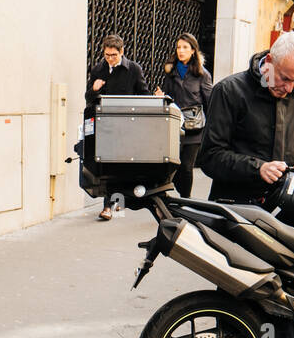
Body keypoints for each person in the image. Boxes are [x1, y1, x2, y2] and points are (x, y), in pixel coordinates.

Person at [198, 31, 294, 205]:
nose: (289, 88)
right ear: (269, 62)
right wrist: (258, 169)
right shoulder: (228, 91)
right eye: (284, 78)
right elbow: (210, 157)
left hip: (287, 207)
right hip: (236, 208)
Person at [85, 34, 150, 219]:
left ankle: (120, 202)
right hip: (105, 124)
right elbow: (88, 99)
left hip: (127, 123)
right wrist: (94, 89)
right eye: (106, 55)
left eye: (113, 55)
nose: (110, 59)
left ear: (122, 52)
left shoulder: (134, 69)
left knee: (123, 165)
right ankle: (108, 207)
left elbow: (143, 95)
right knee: (107, 165)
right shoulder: (98, 69)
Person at [155, 32, 213, 198]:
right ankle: (172, 195)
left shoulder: (202, 74)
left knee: (187, 167)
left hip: (194, 128)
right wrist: (161, 96)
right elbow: (168, 97)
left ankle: (185, 199)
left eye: (185, 47)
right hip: (174, 125)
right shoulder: (171, 71)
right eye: (179, 47)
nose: (181, 51)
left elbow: (210, 102)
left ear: (193, 50)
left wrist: (211, 130)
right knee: (173, 165)